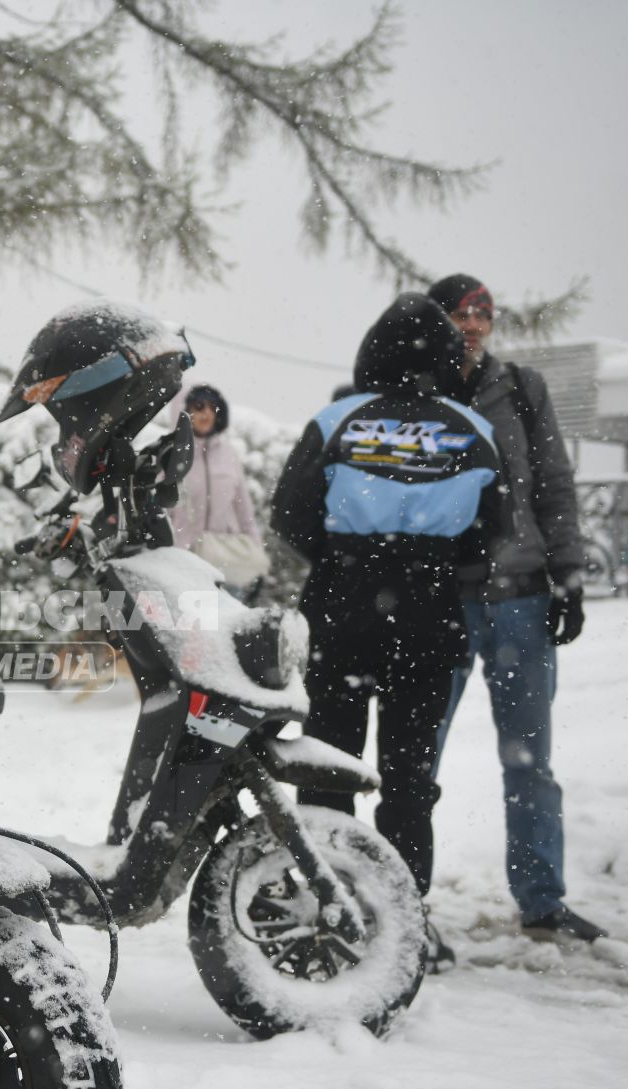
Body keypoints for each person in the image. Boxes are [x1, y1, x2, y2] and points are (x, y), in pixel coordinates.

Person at [271, 293, 505, 973]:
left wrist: (349, 557)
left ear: (371, 351)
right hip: (429, 613)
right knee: (408, 779)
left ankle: (327, 912)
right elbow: (493, 534)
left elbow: (290, 516)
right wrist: (427, 560)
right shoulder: (470, 428)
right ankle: (407, 923)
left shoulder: (336, 419)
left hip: (343, 609)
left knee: (326, 767)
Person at [426, 272, 606, 945]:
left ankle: (542, 902)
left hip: (523, 601)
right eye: (460, 314)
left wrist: (570, 576)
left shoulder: (523, 390)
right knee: (417, 766)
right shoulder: (416, 390)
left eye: (483, 315)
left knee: (530, 764)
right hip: (441, 603)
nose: (473, 326)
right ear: (436, 321)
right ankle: (402, 902)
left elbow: (554, 486)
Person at [169, 384, 268, 598]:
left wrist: (257, 558)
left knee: (224, 628)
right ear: (186, 411)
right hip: (182, 563)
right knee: (189, 628)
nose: (206, 413)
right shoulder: (171, 455)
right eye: (199, 406)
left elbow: (245, 513)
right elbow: (161, 508)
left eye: (212, 408)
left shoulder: (228, 455)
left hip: (225, 565)